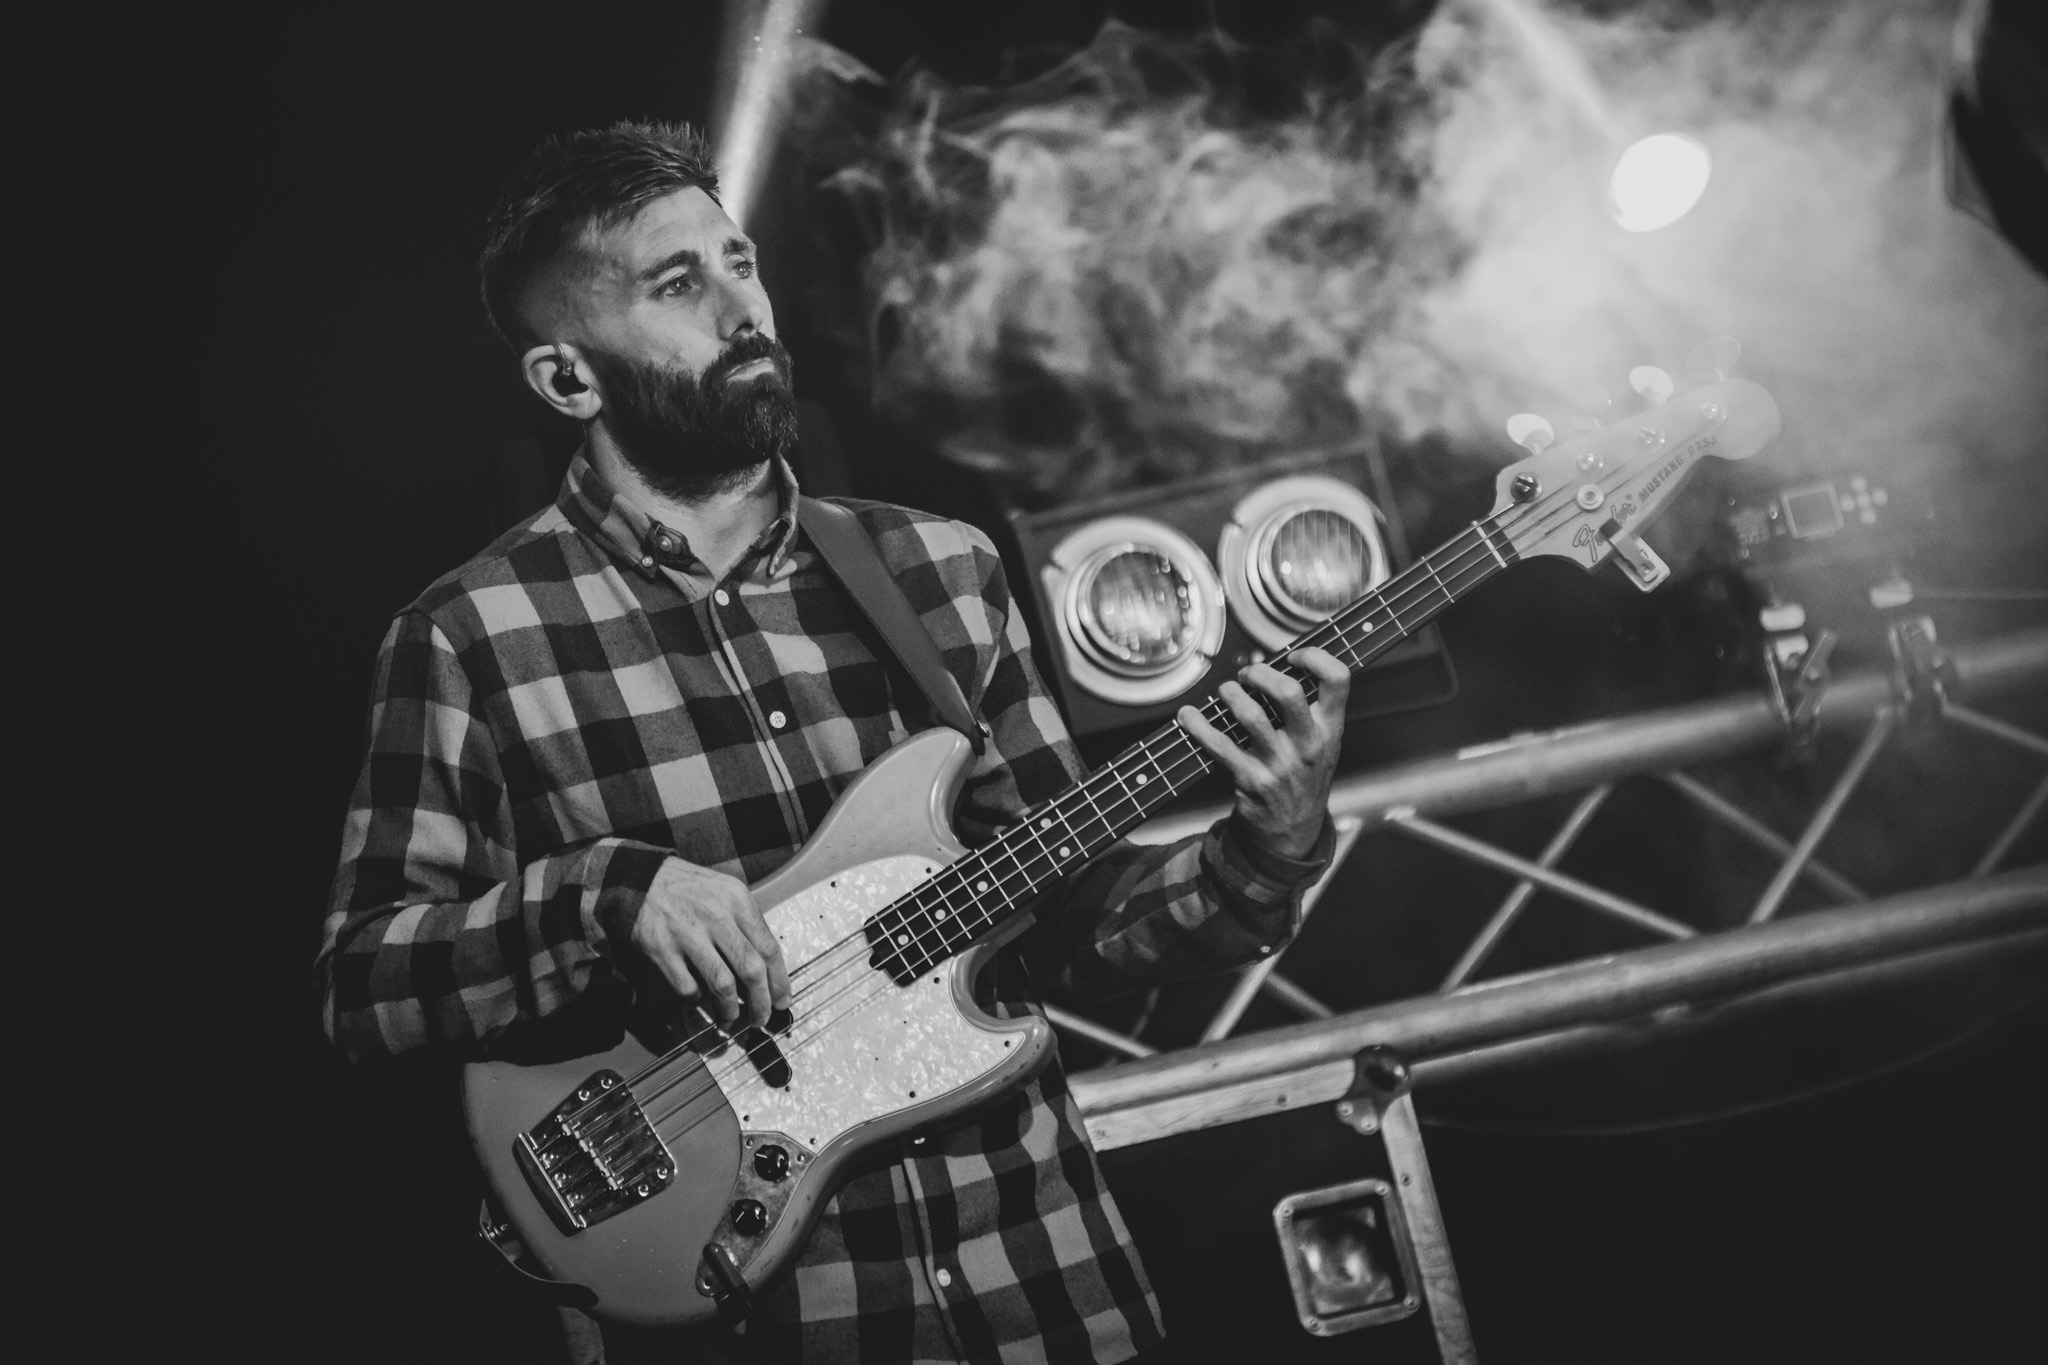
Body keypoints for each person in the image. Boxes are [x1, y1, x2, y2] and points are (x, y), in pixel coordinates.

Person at [319, 120, 1351, 1365]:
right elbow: (365, 988)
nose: (741, 310)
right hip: (775, 1319)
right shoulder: (472, 636)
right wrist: (601, 895)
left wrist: (1268, 842)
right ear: (567, 380)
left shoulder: (940, 571)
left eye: (738, 262)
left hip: (1043, 1289)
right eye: (676, 285)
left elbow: (1072, 922)